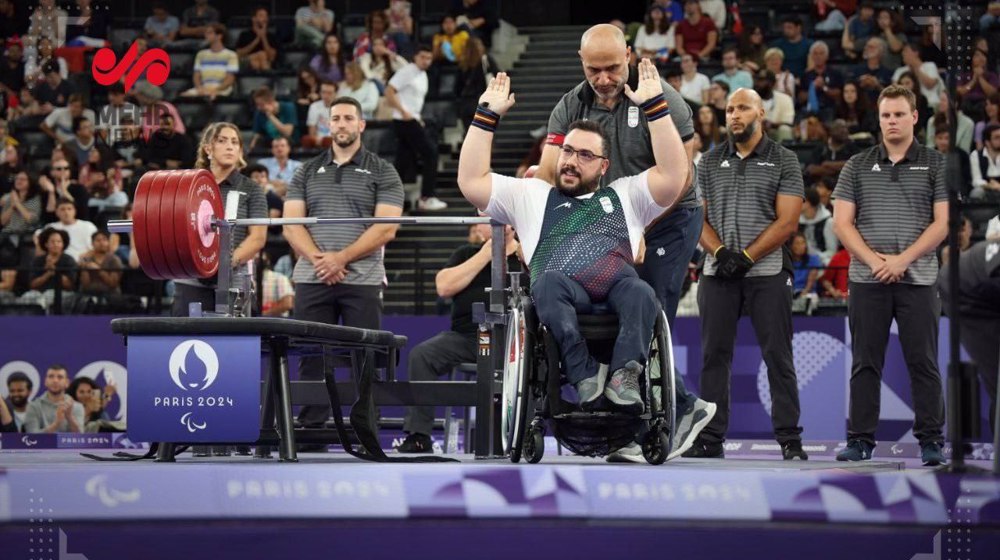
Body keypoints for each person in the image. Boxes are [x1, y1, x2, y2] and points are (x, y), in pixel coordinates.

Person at [459, 63, 704, 460]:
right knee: (548, 283)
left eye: (585, 155)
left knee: (643, 292)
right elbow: (470, 181)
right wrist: (485, 115)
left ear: (604, 166)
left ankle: (625, 375)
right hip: (562, 296)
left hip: (617, 292)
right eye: (568, 151)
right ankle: (583, 371)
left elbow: (676, 175)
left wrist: (656, 109)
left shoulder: (626, 194)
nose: (571, 161)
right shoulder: (531, 194)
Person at [534, 25, 715, 462]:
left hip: (669, 218)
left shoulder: (663, 98)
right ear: (581, 62)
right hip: (611, 223)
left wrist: (639, 231)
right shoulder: (569, 106)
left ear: (629, 56)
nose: (603, 78)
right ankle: (683, 407)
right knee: (610, 311)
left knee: (648, 311)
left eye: (612, 67)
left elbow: (682, 176)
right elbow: (548, 171)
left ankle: (657, 419)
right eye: (593, 69)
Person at [831, 85, 948, 467]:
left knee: (923, 362)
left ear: (915, 117)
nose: (892, 121)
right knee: (865, 362)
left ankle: (931, 441)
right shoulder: (857, 164)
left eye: (899, 114)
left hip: (919, 279)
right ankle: (861, 440)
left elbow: (943, 223)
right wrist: (876, 261)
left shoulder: (936, 163)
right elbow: (842, 223)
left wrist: (902, 260)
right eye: (885, 115)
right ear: (878, 119)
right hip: (868, 281)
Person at [690, 87, 807, 461]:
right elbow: (698, 217)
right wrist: (722, 253)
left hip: (768, 272)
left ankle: (790, 439)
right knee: (713, 357)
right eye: (729, 110)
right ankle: (709, 439)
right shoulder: (707, 162)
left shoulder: (784, 159)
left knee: (778, 356)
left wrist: (747, 256)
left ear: (761, 113)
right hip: (717, 271)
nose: (734, 115)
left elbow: (788, 221)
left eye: (742, 108)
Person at [282, 97, 404, 449]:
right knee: (309, 357)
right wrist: (322, 260)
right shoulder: (305, 170)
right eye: (335, 118)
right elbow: (292, 225)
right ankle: (309, 432)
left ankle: (366, 428)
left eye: (349, 118)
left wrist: (341, 259)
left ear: (362, 125)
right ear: (327, 125)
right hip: (312, 277)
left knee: (365, 357)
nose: (341, 124)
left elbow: (386, 228)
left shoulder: (383, 170)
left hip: (362, 279)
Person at [397, 223, 521, 453]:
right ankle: (418, 436)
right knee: (422, 355)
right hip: (466, 338)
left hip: (515, 340)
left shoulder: (527, 254)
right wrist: (485, 255)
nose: (496, 223)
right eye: (487, 218)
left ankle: (523, 435)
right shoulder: (466, 253)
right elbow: (443, 287)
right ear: (478, 226)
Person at [169, 123, 267, 316]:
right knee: (187, 337)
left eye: (235, 142)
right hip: (191, 276)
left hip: (235, 277)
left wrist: (223, 263)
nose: (230, 146)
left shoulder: (252, 188)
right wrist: (200, 263)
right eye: (222, 141)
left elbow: (257, 238)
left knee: (234, 343)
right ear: (208, 148)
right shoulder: (187, 185)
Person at [385, 45, 447, 210]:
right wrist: (403, 111)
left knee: (402, 160)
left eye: (429, 58)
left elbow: (413, 100)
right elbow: (389, 91)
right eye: (422, 57)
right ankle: (427, 197)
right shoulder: (407, 71)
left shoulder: (422, 75)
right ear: (415, 57)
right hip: (404, 120)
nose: (426, 61)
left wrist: (416, 117)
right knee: (431, 153)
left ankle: (388, 196)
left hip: (411, 119)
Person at [181, 23, 238, 100]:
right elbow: (196, 76)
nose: (206, 35)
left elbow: (229, 80)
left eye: (210, 33)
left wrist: (214, 90)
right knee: (183, 97)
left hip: (221, 89)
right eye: (206, 33)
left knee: (210, 97)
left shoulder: (231, 55)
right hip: (203, 88)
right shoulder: (201, 54)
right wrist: (199, 88)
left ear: (219, 36)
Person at [24, 365, 84, 433]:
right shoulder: (33, 406)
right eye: (51, 376)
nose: (55, 381)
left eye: (60, 377)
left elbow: (80, 438)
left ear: (67, 383)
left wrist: (69, 417)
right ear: (45, 382)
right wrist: (56, 424)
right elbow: (32, 437)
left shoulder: (77, 406)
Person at [799, 187, 838, 265]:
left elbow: (832, 251)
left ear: (809, 202)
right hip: (802, 260)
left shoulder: (828, 221)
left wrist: (816, 257)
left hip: (822, 260)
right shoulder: (797, 221)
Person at [235, 5, 279, 72]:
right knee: (261, 54)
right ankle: (269, 78)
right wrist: (257, 39)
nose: (265, 19)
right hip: (246, 61)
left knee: (257, 63)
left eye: (266, 16)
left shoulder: (271, 36)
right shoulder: (244, 34)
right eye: (261, 16)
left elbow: (271, 57)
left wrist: (263, 37)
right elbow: (239, 54)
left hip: (261, 62)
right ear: (254, 18)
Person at [971, 123, 1000, 200]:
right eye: (997, 137)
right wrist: (990, 185)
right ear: (987, 142)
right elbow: (976, 180)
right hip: (985, 188)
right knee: (976, 192)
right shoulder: (976, 155)